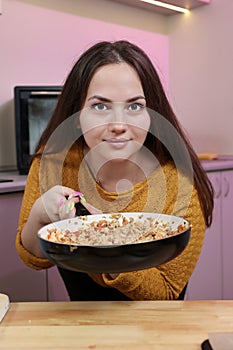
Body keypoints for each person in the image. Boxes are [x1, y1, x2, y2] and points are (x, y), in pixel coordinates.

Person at [16, 40, 214, 301]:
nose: (119, 124)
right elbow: (34, 259)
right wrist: (39, 217)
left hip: (156, 332)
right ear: (76, 117)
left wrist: (104, 242)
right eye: (100, 106)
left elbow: (166, 293)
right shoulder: (52, 166)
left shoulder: (179, 184)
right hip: (83, 331)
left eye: (134, 106)